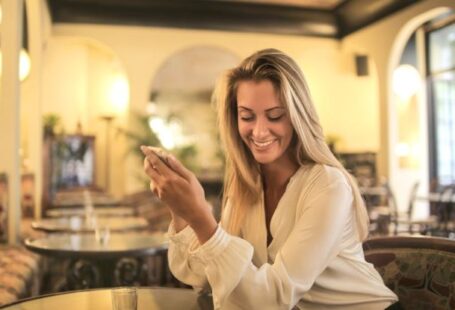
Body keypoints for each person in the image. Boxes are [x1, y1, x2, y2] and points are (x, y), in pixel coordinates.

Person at [141, 49, 398, 309]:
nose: (260, 131)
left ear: (298, 117)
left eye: (275, 116)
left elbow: (272, 299)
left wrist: (200, 216)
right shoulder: (246, 186)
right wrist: (181, 211)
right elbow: (203, 277)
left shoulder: (328, 186)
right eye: (247, 117)